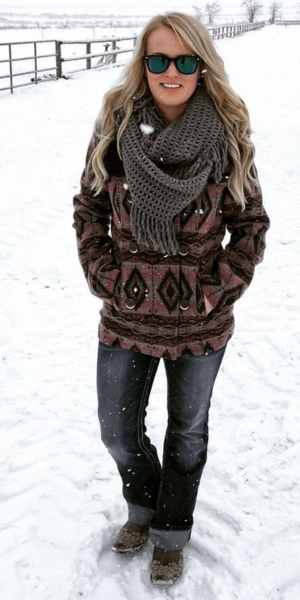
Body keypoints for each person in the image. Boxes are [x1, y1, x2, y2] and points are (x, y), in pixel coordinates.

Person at [72, 11, 270, 586]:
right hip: (125, 317)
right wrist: (105, 275)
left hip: (200, 327)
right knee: (117, 430)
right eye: (159, 59)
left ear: (203, 66)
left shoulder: (227, 137)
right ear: (144, 64)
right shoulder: (116, 128)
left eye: (186, 60)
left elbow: (251, 224)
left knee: (187, 434)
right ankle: (142, 506)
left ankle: (170, 532)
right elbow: (89, 208)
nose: (172, 71)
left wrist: (213, 293)